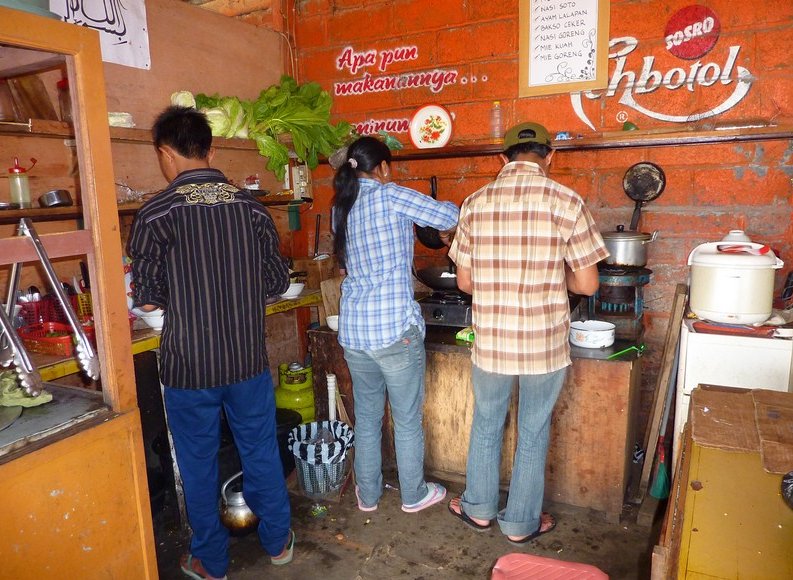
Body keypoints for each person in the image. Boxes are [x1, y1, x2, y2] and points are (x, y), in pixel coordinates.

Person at [127, 106, 294, 580]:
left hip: (189, 366)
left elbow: (149, 296)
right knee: (259, 448)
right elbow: (277, 282)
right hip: (246, 360)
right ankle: (278, 541)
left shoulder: (156, 215)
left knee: (197, 464)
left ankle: (211, 561)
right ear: (211, 150)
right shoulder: (252, 209)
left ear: (165, 154)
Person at [446, 122, 609, 545]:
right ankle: (520, 524)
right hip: (544, 345)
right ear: (549, 156)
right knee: (533, 431)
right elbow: (588, 285)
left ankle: (478, 509)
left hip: (494, 342)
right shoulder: (567, 201)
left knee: (486, 423)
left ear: (503, 159)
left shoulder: (475, 203)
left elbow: (464, 282)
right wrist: (559, 282)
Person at [332, 136, 459, 513]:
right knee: (406, 420)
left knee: (368, 418)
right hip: (393, 331)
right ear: (384, 167)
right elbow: (449, 216)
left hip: (355, 332)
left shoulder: (343, 206)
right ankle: (413, 495)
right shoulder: (391, 195)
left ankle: (367, 496)